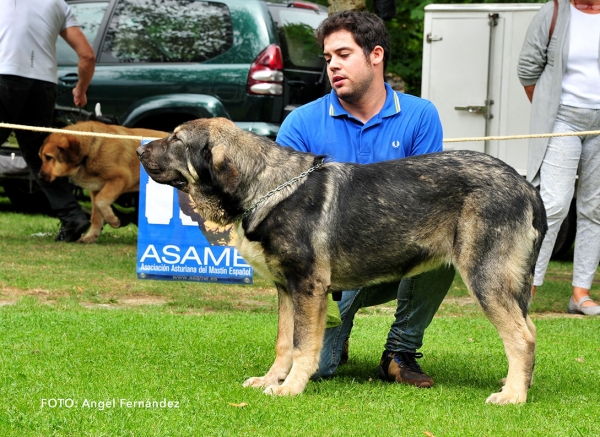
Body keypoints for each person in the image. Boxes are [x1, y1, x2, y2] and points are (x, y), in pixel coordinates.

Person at [276, 10, 455, 387]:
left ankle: (400, 352)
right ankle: (333, 338)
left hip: (398, 252)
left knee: (448, 236)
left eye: (343, 54)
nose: (333, 66)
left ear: (376, 56)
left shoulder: (421, 115)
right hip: (327, 268)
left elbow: (430, 203)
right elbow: (285, 220)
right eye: (328, 59)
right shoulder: (300, 123)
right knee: (320, 368)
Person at [518, 0, 600, 316]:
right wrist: (546, 109)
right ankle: (528, 286)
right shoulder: (553, 12)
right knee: (553, 203)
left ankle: (581, 294)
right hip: (563, 118)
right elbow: (527, 69)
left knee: (595, 206)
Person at [0, 0, 95, 242]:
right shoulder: (59, 4)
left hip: (6, 76)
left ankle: (73, 216)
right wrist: (80, 90)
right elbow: (87, 55)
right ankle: (72, 216)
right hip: (43, 86)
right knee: (39, 154)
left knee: (37, 153)